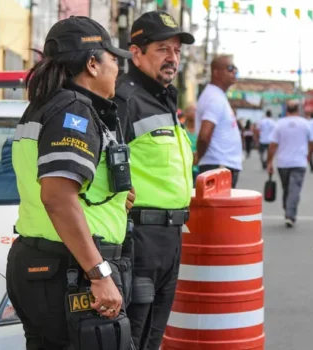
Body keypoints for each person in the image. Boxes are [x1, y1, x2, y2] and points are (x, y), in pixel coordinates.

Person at [6, 16, 135, 349]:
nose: (117, 70)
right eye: (113, 60)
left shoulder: (43, 106)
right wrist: (98, 273)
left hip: (43, 263)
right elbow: (58, 197)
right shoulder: (73, 111)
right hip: (71, 271)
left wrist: (115, 201)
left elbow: (61, 187)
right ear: (92, 64)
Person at [112, 11, 195, 349]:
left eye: (176, 50)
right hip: (139, 238)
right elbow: (105, 162)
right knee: (132, 336)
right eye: (162, 49)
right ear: (136, 53)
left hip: (170, 237)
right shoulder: (125, 98)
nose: (172, 58)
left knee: (153, 338)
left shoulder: (163, 98)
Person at [196, 55, 243, 187]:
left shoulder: (218, 95)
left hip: (221, 166)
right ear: (216, 72)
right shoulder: (213, 97)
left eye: (235, 68)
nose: (234, 71)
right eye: (230, 68)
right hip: (217, 167)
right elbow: (204, 136)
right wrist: (199, 157)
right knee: (218, 208)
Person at [266, 101, 313, 227]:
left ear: (286, 110)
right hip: (299, 162)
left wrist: (270, 161)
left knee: (287, 189)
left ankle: (289, 213)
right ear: (298, 110)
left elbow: (273, 145)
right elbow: (312, 142)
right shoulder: (305, 124)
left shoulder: (279, 124)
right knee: (294, 190)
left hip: (283, 163)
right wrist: (309, 155)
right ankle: (289, 212)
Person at [183, 105, 200, 181]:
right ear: (185, 113)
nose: (193, 113)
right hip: (185, 168)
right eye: (190, 110)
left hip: (197, 168)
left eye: (195, 111)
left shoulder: (200, 130)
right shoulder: (181, 130)